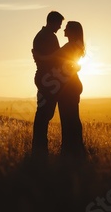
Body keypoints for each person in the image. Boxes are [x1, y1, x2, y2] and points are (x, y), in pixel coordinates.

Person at [33, 21, 87, 159]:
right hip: (71, 85)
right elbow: (73, 65)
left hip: (69, 87)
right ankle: (75, 149)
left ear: (72, 31)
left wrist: (38, 56)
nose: (63, 30)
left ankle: (70, 150)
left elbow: (53, 57)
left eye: (67, 28)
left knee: (69, 118)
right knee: (72, 118)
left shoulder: (70, 46)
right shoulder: (77, 45)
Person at [31, 11, 64, 159]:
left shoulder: (41, 35)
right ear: (53, 22)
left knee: (44, 113)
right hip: (47, 78)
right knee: (45, 113)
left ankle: (39, 148)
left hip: (43, 77)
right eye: (58, 25)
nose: (59, 28)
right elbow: (57, 58)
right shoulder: (49, 36)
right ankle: (39, 149)